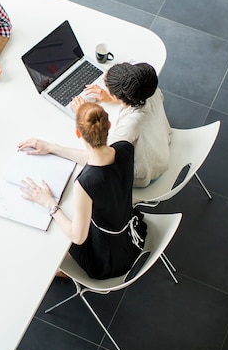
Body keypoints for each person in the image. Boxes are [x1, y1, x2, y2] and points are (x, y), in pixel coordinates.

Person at [18, 102, 146, 280]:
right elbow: (97, 158)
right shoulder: (125, 148)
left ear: (78, 133)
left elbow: (78, 237)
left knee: (55, 228)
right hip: (127, 233)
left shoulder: (86, 183)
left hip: (105, 259)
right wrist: (53, 148)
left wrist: (50, 204)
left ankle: (62, 271)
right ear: (108, 126)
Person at [70, 62, 172, 187]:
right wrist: (111, 98)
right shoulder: (149, 89)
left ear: (118, 97)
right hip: (161, 149)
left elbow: (99, 156)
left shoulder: (130, 126)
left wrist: (84, 112)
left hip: (147, 174)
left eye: (106, 86)